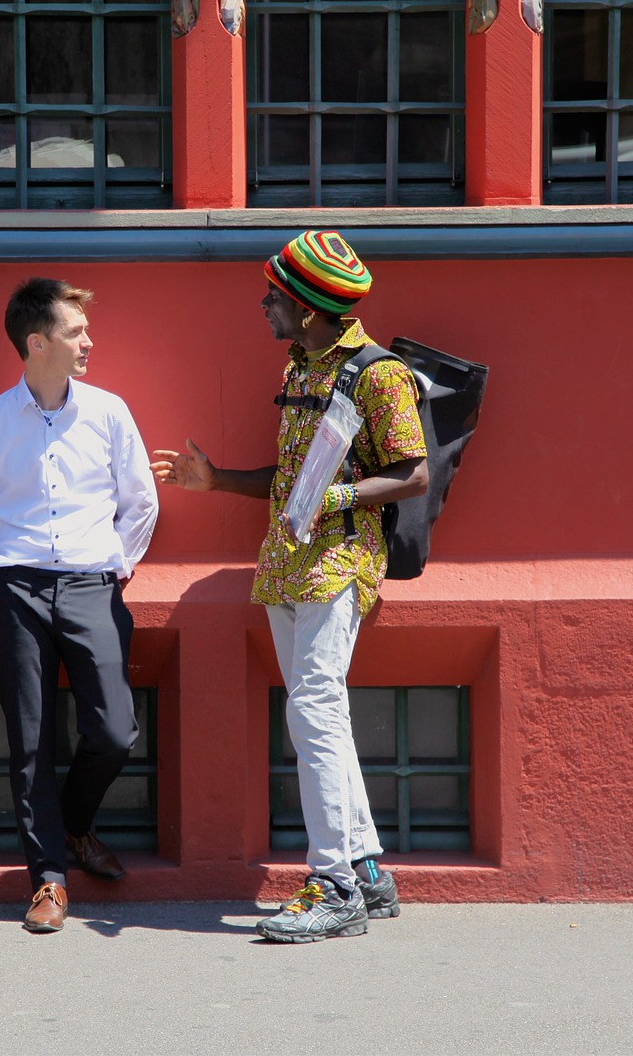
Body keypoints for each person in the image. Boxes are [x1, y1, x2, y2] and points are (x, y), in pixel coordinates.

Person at [151, 230, 428, 943]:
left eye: (274, 294)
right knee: (318, 712)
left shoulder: (377, 373)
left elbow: (412, 472)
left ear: (307, 307)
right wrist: (216, 482)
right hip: (285, 564)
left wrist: (337, 500)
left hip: (338, 561)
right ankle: (366, 870)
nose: (263, 304)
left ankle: (332, 883)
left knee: (312, 706)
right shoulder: (302, 368)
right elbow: (292, 481)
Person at [0, 277, 158, 934]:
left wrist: (115, 563)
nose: (88, 342)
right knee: (29, 741)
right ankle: (51, 881)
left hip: (94, 582)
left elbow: (140, 498)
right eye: (75, 332)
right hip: (19, 588)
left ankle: (74, 824)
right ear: (37, 343)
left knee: (114, 729)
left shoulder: (110, 412)